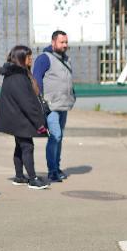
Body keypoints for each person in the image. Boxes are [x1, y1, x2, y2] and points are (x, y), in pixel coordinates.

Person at [0, 45, 49, 189]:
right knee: (27, 146)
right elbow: (27, 103)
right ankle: (33, 179)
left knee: (20, 146)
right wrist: (40, 123)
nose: (31, 59)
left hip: (16, 118)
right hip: (20, 119)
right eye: (28, 56)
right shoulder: (18, 77)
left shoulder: (15, 74)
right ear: (20, 58)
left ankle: (19, 176)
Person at [32, 30, 75, 183]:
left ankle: (57, 167)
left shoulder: (66, 59)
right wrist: (41, 101)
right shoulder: (45, 58)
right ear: (53, 42)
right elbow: (36, 79)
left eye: (66, 42)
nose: (65, 45)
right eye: (62, 42)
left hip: (63, 105)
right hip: (51, 106)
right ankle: (52, 171)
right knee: (55, 136)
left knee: (59, 137)